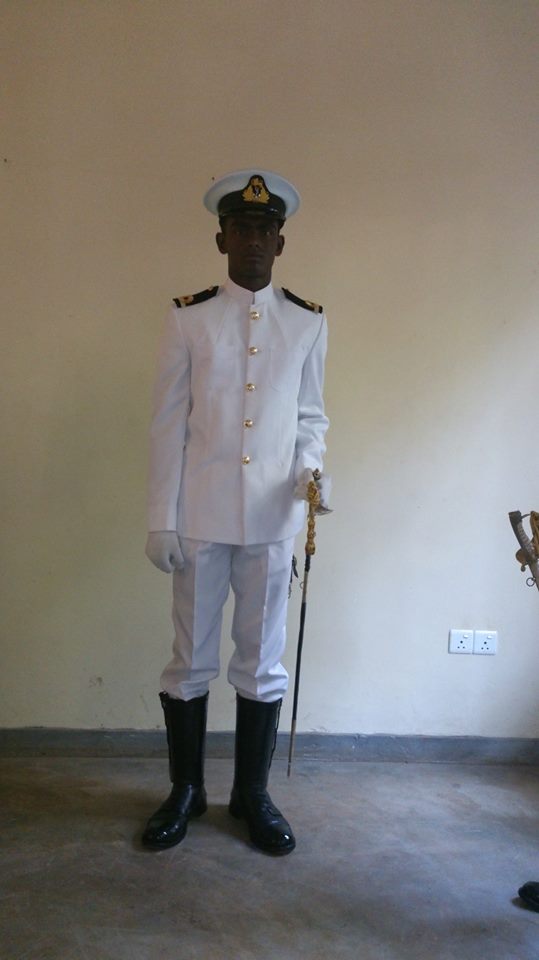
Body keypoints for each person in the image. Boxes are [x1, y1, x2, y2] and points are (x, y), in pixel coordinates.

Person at [142, 168, 330, 856]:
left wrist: (311, 473)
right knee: (189, 659)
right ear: (221, 238)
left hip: (273, 520)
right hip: (199, 517)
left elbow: (310, 417)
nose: (253, 239)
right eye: (242, 227)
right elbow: (168, 424)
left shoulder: (307, 321)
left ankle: (252, 794)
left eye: (265, 229)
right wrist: (160, 517)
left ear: (280, 242)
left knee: (262, 662)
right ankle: (186, 790)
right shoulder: (188, 317)